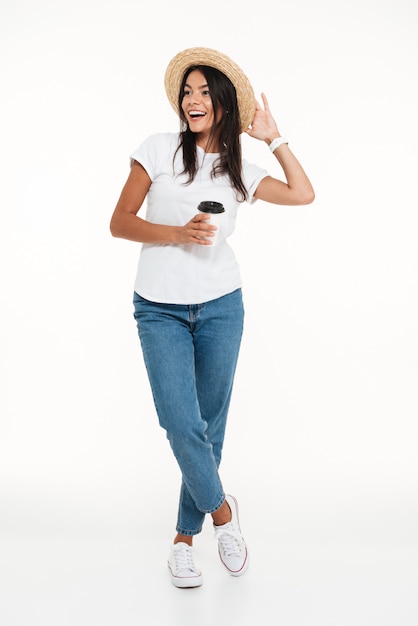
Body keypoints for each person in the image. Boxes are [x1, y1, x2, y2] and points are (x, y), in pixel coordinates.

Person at [110, 47, 314, 588]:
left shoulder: (240, 168)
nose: (193, 100)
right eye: (188, 91)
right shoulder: (155, 150)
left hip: (222, 304)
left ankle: (183, 540)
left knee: (209, 428)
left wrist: (273, 137)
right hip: (158, 308)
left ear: (223, 105)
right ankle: (224, 515)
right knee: (181, 423)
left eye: (204, 92)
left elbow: (303, 193)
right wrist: (178, 233)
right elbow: (120, 222)